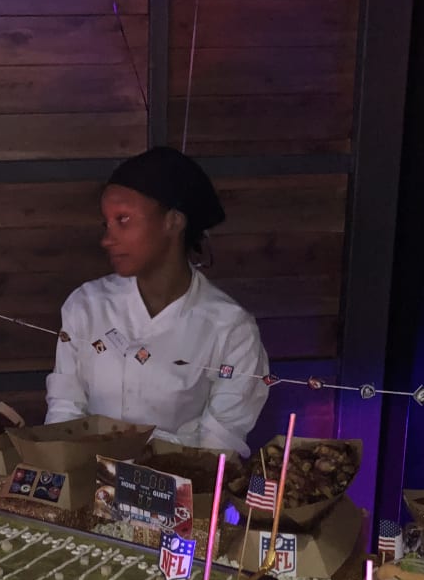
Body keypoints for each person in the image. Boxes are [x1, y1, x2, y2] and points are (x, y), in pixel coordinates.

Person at [45, 146, 268, 457]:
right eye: (106, 224)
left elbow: (218, 445)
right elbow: (65, 409)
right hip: (87, 478)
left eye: (123, 220)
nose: (107, 239)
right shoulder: (86, 306)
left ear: (173, 222)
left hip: (183, 482)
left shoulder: (230, 329)